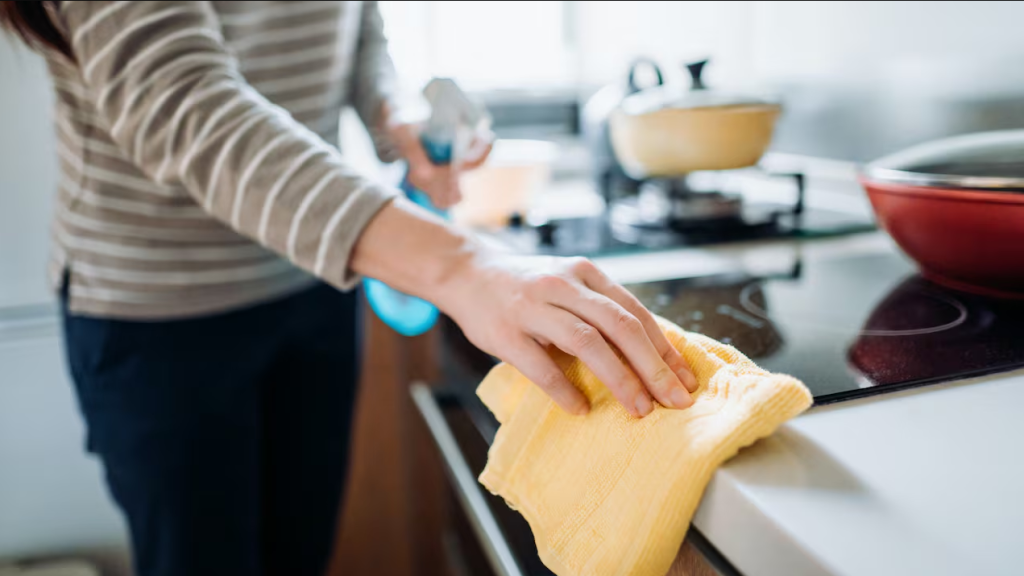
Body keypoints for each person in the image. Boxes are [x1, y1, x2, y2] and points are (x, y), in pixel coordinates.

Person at [0, 2, 698, 575]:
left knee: (300, 556)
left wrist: (395, 119)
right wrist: (463, 267)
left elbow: (356, 26)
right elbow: (183, 103)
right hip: (159, 310)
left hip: (311, 281)